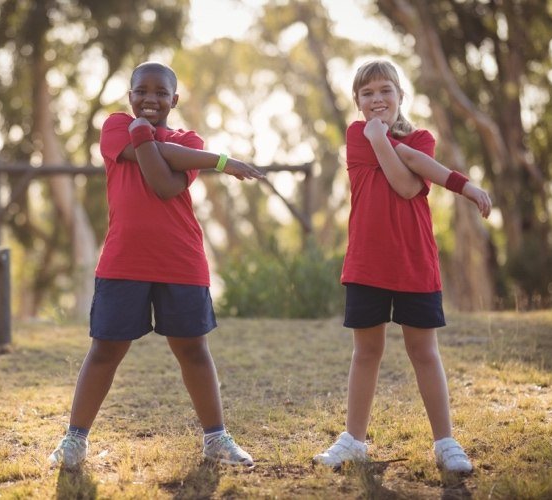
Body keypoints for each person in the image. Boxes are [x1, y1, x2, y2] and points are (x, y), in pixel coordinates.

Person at [48, 61, 263, 470]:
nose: (151, 99)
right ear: (129, 97)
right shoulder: (114, 126)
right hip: (123, 261)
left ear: (174, 100)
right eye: (142, 91)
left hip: (181, 262)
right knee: (105, 350)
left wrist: (150, 138)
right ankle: (74, 440)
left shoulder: (190, 140)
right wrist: (220, 160)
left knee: (193, 350)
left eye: (161, 92)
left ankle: (216, 439)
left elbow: (164, 186)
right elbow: (160, 164)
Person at [313, 60, 492, 474]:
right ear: (357, 102)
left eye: (385, 90)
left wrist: (463, 184)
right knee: (366, 352)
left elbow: (409, 186)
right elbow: (404, 175)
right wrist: (381, 139)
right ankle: (354, 441)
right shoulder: (357, 134)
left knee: (424, 351)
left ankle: (445, 443)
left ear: (400, 95)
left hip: (414, 263)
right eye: (367, 93)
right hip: (366, 263)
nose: (377, 100)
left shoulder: (423, 138)